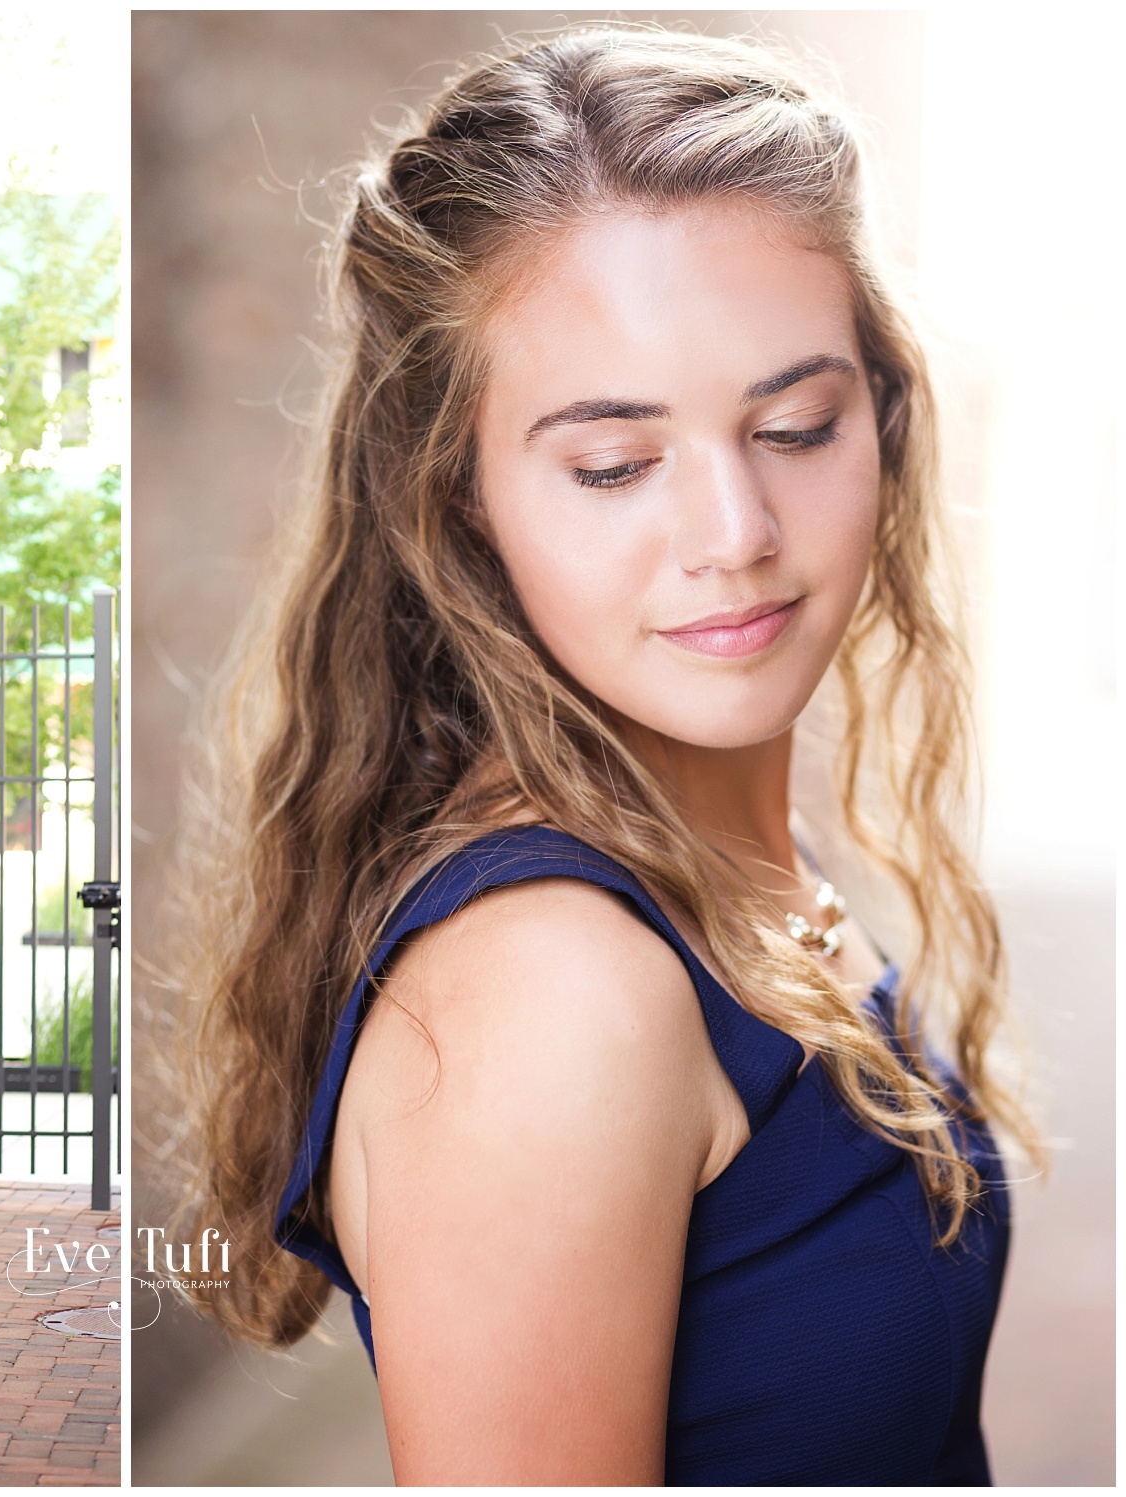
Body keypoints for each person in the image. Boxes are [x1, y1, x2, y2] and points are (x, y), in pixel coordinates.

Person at [178, 27, 1043, 1485]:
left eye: (795, 425)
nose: (734, 533)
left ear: (882, 411)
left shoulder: (714, 844)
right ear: (457, 499)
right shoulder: (552, 994)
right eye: (614, 465)